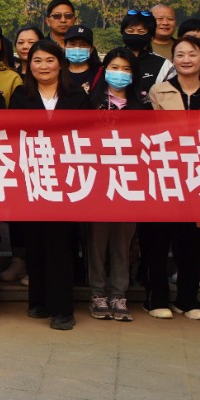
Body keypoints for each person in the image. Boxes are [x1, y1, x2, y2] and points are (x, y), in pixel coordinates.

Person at [143, 36, 200, 319]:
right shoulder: (159, 91)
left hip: (197, 174)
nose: (186, 59)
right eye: (179, 55)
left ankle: (188, 300)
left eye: (192, 54)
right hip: (164, 173)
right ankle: (156, 299)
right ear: (173, 60)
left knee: (191, 240)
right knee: (157, 240)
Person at [9, 39, 89, 330]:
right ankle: (39, 301)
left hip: (67, 179)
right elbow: (12, 135)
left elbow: (88, 134)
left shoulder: (76, 96)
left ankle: (62, 309)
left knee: (60, 244)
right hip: (32, 177)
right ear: (29, 65)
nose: (43, 66)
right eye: (37, 61)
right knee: (35, 241)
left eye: (49, 60)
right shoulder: (21, 96)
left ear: (60, 64)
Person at [86, 47, 149, 322]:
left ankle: (119, 293)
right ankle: (97, 293)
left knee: (123, 241)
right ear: (104, 70)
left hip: (129, 183)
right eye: (114, 68)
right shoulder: (91, 102)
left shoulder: (143, 105)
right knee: (97, 241)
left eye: (126, 69)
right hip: (96, 182)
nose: (119, 74)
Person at [118, 8, 167, 92]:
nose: (135, 34)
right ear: (123, 33)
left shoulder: (163, 65)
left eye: (141, 32)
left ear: (152, 36)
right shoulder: (113, 58)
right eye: (130, 31)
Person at [61, 24, 102, 93]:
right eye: (72, 44)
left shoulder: (100, 73)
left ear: (91, 49)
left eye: (83, 45)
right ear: (65, 47)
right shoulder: (58, 72)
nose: (77, 48)